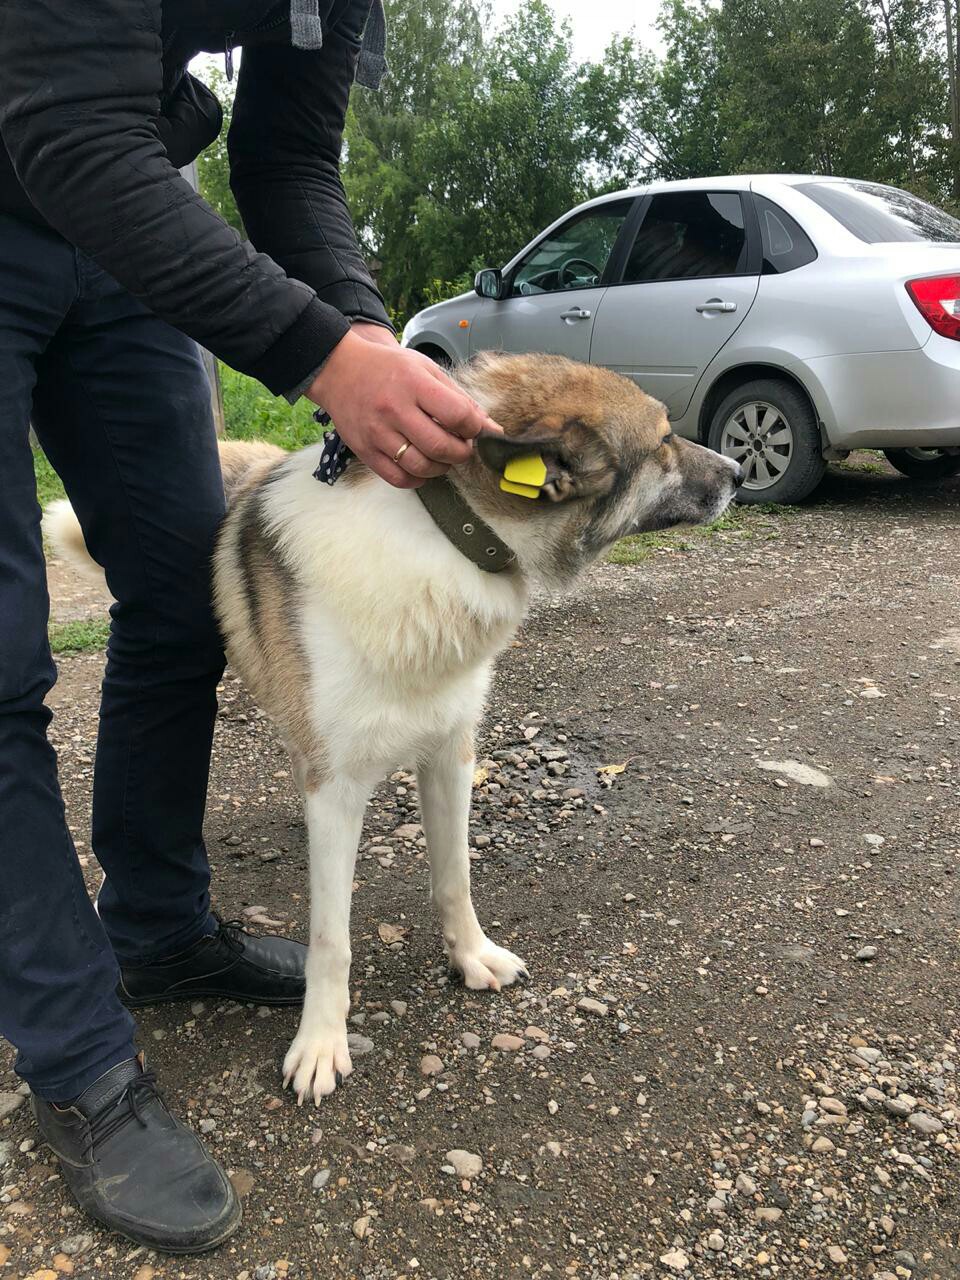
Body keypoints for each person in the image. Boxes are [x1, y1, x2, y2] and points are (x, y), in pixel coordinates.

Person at [0, 0, 498, 1254]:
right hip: (61, 152)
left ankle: (160, 932)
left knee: (181, 595)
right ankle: (78, 1055)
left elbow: (284, 161)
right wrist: (318, 356)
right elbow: (62, 118)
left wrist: (363, 325)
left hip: (114, 227)